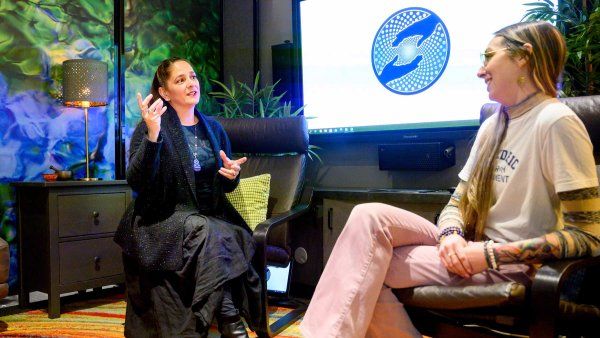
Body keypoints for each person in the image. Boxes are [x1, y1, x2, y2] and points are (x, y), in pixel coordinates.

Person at [300, 21, 600, 338]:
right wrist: (451, 236)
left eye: (489, 57)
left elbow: (588, 237)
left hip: (513, 265)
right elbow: (457, 201)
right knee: (367, 217)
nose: (480, 71)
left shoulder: (556, 122)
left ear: (523, 56)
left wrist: (488, 255)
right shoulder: (494, 124)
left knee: (361, 268)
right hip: (468, 248)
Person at [114, 57, 261, 338]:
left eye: (192, 77)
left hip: (205, 218)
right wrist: (153, 135)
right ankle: (231, 321)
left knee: (224, 232)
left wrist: (231, 176)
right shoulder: (151, 126)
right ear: (165, 93)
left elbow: (224, 185)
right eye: (180, 80)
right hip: (162, 218)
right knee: (212, 232)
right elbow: (137, 181)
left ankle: (228, 319)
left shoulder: (213, 129)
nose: (191, 83)